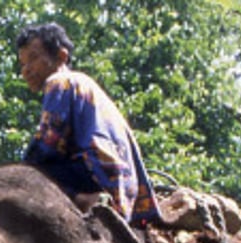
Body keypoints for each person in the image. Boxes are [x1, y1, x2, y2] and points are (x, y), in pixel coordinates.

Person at [16, 22, 160, 227]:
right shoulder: (86, 85)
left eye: (33, 58)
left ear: (61, 57)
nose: (26, 70)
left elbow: (49, 144)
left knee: (21, 179)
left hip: (93, 173)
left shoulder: (60, 81)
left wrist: (16, 171)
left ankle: (83, 199)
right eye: (22, 64)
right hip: (121, 181)